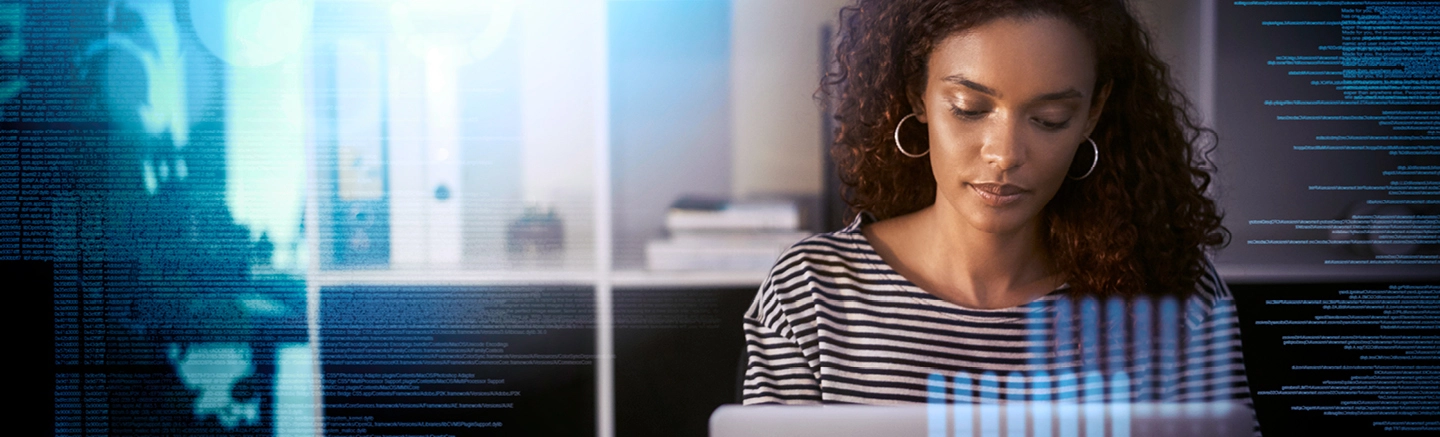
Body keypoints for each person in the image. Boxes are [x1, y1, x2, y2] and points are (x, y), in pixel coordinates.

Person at [741, 0, 1257, 433]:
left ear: (1092, 114)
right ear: (916, 96)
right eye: (969, 107)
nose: (1005, 154)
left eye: (1049, 119)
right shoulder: (812, 292)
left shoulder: (1176, 289)